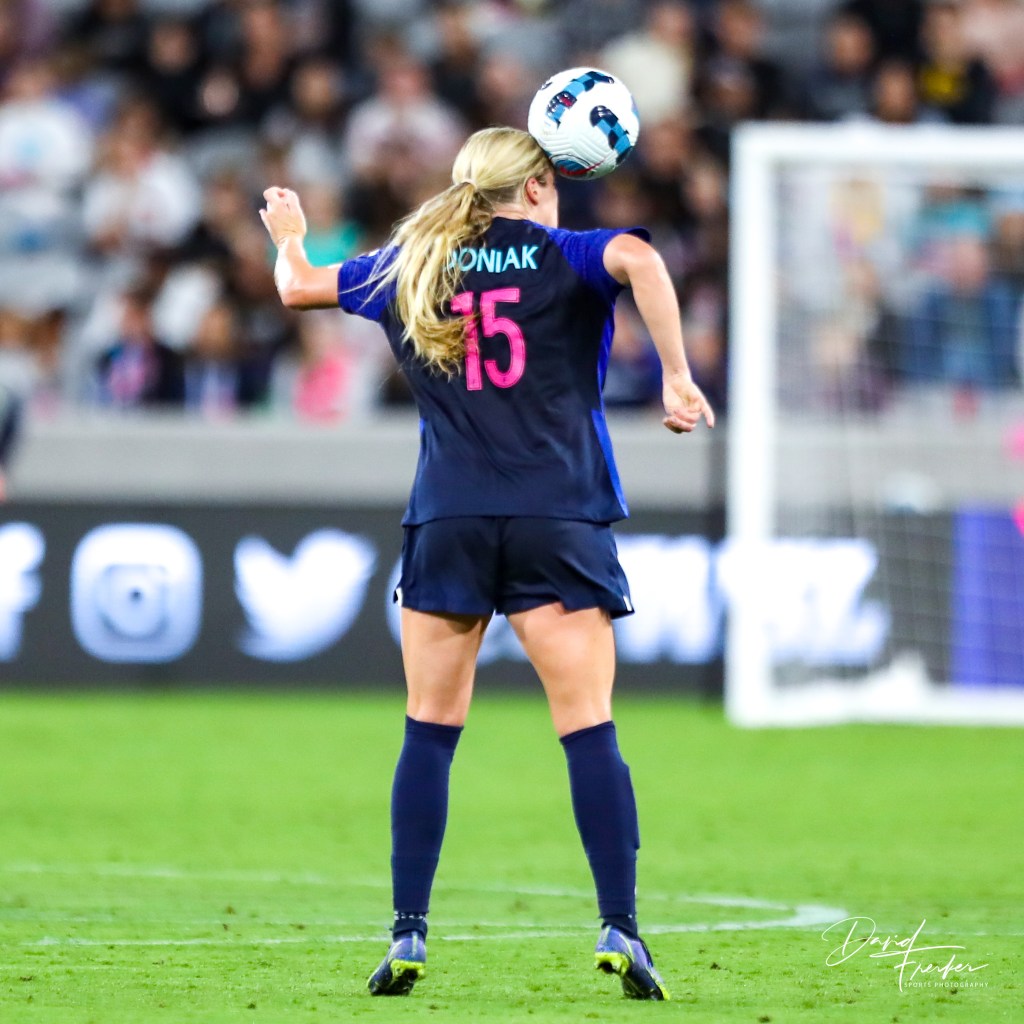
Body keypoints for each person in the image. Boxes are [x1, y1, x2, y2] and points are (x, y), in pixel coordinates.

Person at [258, 126, 714, 1001]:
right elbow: (644, 261)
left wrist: (290, 234)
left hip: (450, 514)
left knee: (429, 729)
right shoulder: (567, 254)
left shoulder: (415, 261)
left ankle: (408, 933)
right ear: (537, 186)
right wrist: (675, 374)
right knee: (587, 726)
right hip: (558, 515)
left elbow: (297, 287)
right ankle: (619, 924)